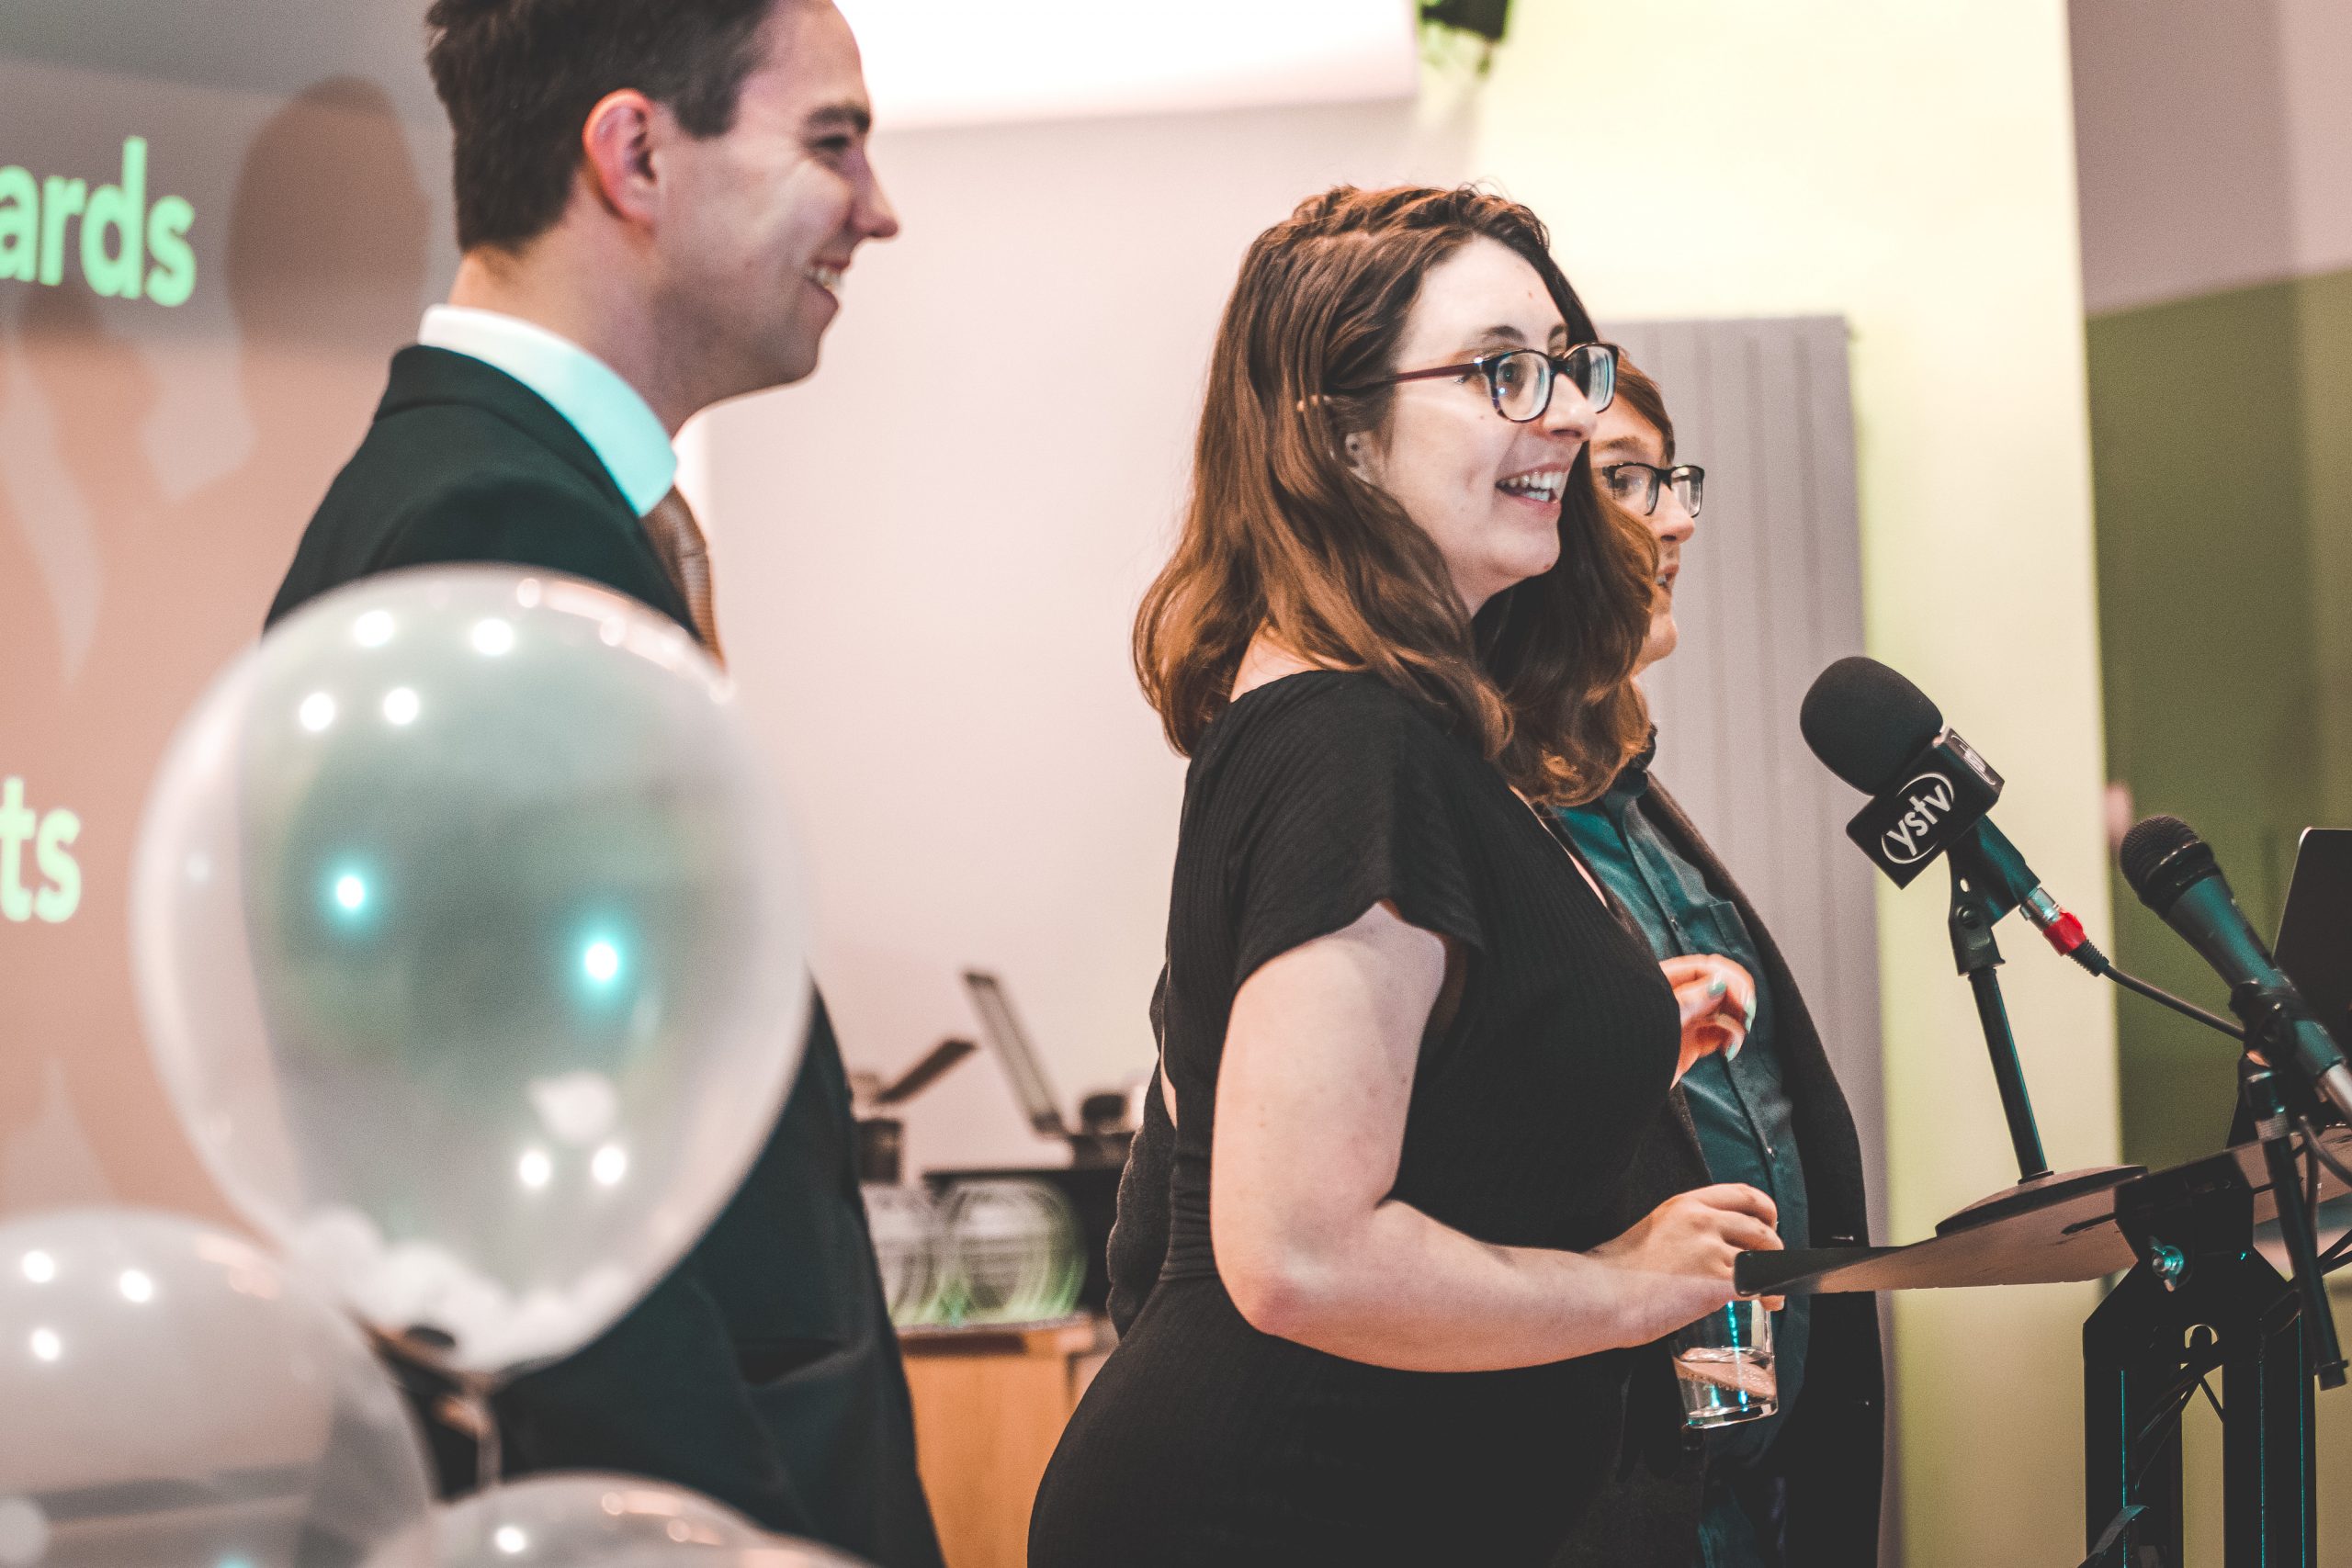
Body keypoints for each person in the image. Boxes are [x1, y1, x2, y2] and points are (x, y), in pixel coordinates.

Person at [261, 3, 943, 1564]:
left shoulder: (518, 497)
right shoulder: (488, 525)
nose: (879, 208)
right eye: (832, 141)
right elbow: (532, 1214)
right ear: (635, 152)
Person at [1028, 185, 1781, 1567]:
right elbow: (1300, 1255)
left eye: (1564, 365)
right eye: (1503, 370)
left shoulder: (1400, 724)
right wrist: (1626, 1289)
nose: (1560, 411)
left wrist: (1589, 1044)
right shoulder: (1349, 740)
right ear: (1340, 431)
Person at [1547, 357, 1883, 1568]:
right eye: (1629, 480)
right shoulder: (1459, 813)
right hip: (1596, 1494)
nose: (1679, 517)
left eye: (1673, 477)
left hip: (1750, 1487)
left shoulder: (1640, 802)